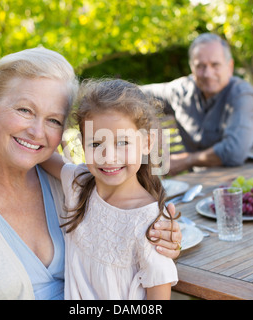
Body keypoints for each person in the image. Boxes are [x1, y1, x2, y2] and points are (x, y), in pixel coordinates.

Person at [0, 48, 181, 300]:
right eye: (25, 110)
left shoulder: (69, 187)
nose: (37, 131)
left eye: (53, 119)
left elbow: (127, 228)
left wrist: (163, 239)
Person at [41, 79, 179, 299]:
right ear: (82, 143)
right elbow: (41, 150)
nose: (109, 157)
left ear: (146, 143)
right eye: (96, 144)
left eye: (123, 143)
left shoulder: (150, 222)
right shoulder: (79, 182)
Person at [141, 33, 253, 175]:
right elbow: (137, 93)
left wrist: (186, 160)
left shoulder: (241, 94)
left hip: (244, 176)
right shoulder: (180, 91)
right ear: (192, 68)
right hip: (198, 182)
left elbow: (234, 152)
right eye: (200, 66)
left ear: (230, 67)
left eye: (215, 65)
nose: (207, 74)